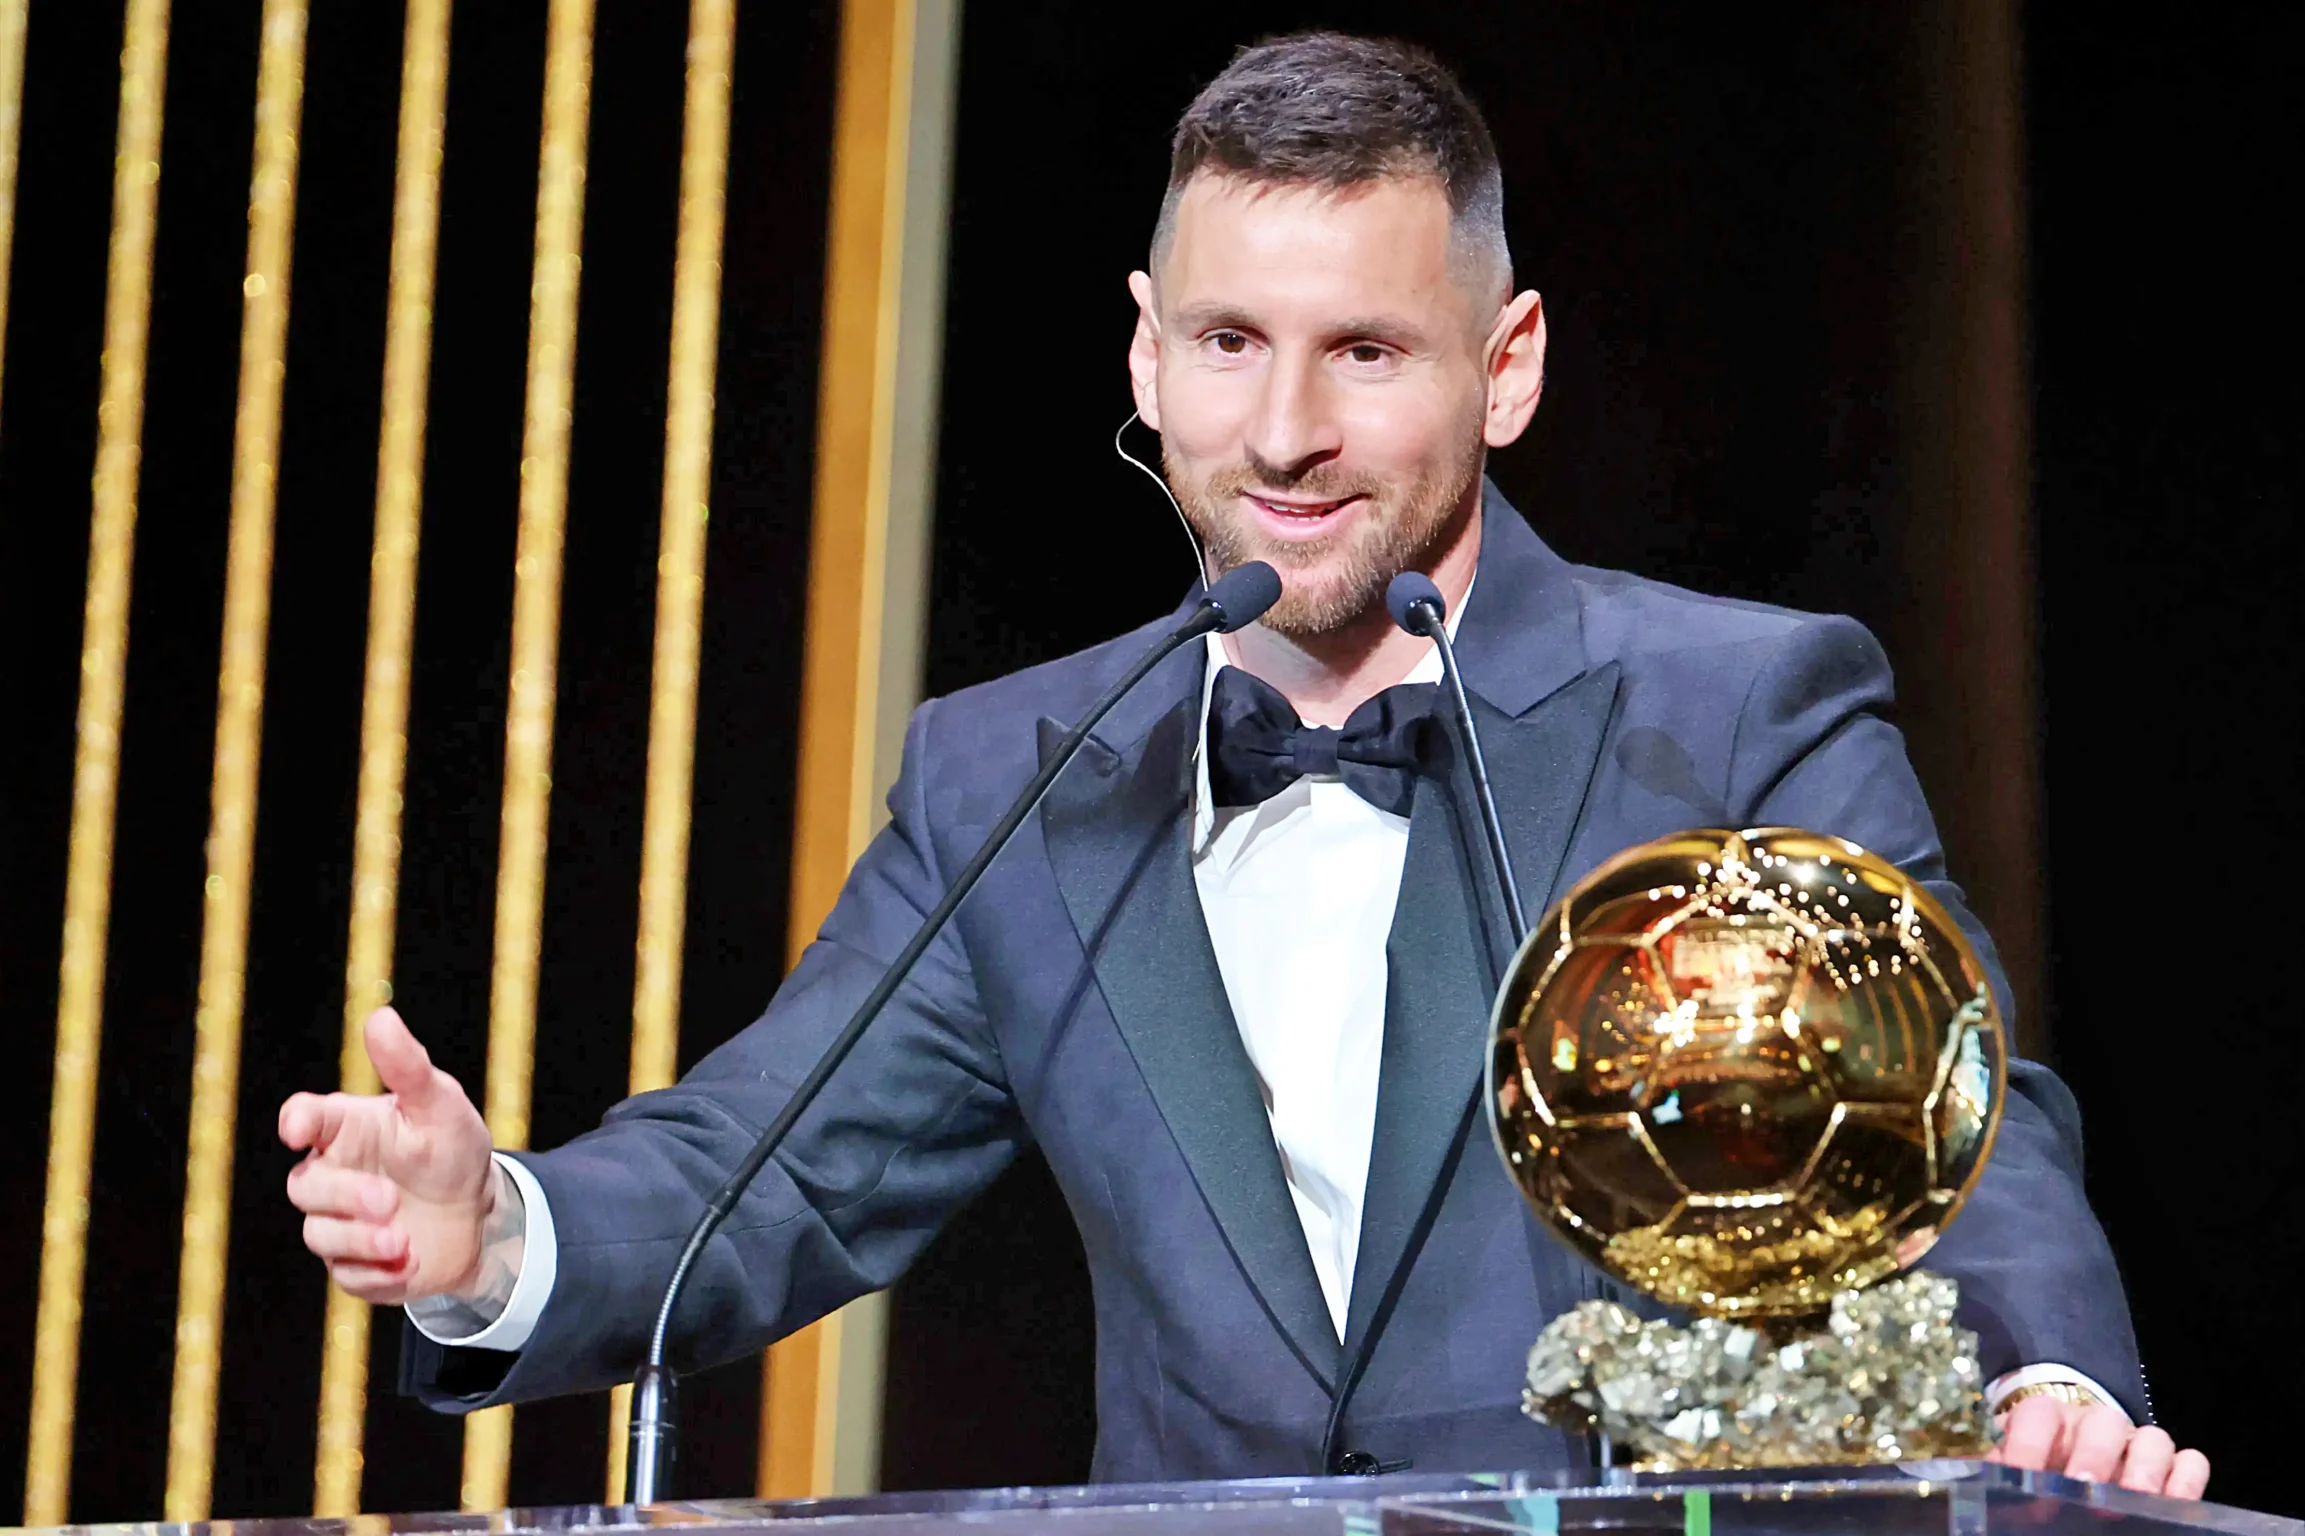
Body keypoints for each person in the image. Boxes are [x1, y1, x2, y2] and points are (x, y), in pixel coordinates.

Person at [282, 32, 2208, 1498]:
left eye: (1365, 352)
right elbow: (757, 1174)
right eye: (1227, 341)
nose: (1281, 430)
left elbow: (1952, 1109)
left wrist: (2051, 1387)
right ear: (1144, 357)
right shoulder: (1012, 778)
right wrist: (494, 1234)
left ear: (1507, 364)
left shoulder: (1734, 706)